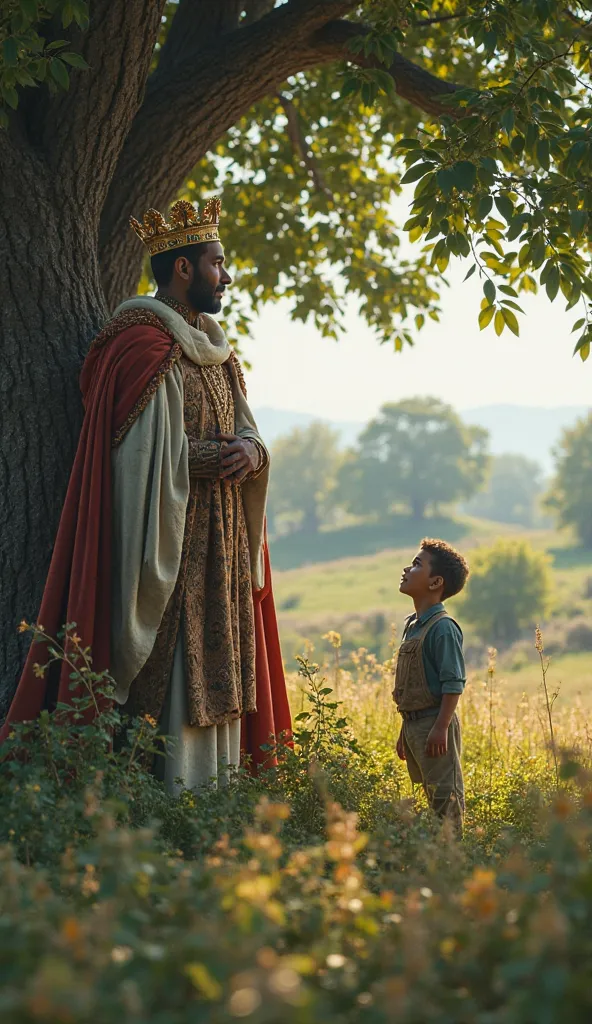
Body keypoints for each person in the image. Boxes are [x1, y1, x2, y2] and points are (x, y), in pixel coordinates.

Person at [1, 197, 291, 790]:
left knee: (226, 661)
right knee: (176, 658)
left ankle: (220, 795)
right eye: (216, 263)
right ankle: (165, 797)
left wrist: (253, 452)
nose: (227, 276)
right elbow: (143, 461)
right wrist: (220, 456)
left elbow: (248, 426)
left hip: (225, 541)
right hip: (170, 536)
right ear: (182, 269)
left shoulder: (215, 348)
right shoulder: (141, 344)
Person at [393, 538, 469, 833]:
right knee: (431, 798)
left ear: (436, 582)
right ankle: (438, 860)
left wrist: (440, 728)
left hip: (435, 725)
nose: (407, 569)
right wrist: (405, 728)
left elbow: (453, 684)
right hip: (416, 725)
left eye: (416, 564)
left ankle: (453, 865)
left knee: (446, 802)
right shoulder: (414, 624)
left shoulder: (443, 627)